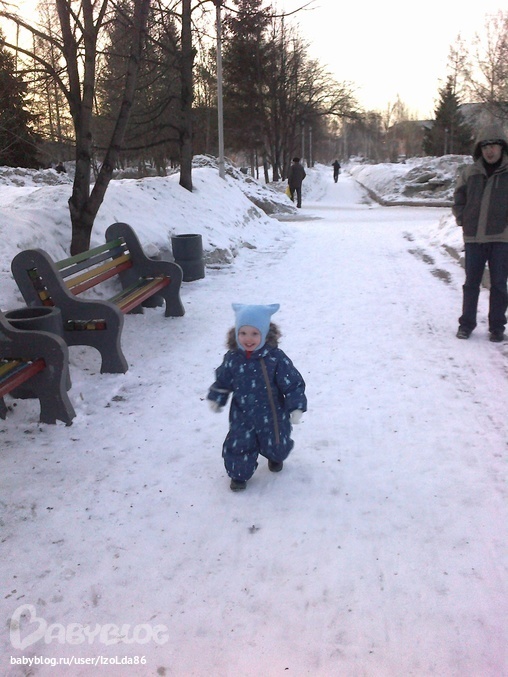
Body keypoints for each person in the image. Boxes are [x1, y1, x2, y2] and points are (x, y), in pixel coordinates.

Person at [207, 303, 307, 492]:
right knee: (239, 443)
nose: (248, 339)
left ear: (265, 333)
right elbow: (223, 380)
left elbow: (292, 383)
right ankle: (238, 474)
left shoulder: (275, 358)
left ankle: (275, 456)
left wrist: (296, 406)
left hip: (273, 413)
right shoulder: (233, 358)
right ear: (236, 333)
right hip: (242, 414)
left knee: (277, 442)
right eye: (243, 333)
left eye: (255, 333)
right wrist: (217, 397)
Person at [453, 124, 508, 342]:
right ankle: (466, 324)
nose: (489, 151)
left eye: (493, 146)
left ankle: (497, 327)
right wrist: (462, 219)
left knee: (499, 284)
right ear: (480, 149)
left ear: (502, 147)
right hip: (474, 237)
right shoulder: (470, 172)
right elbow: (459, 198)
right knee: (471, 284)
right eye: (485, 147)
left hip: (501, 238)